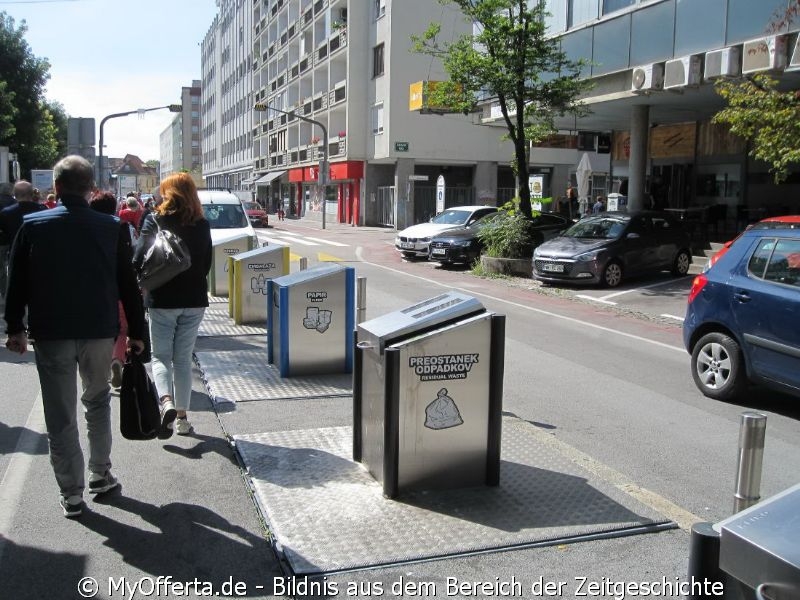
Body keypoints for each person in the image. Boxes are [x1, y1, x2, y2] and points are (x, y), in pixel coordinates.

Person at [3, 155, 146, 518]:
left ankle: (72, 494)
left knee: (60, 413)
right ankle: (101, 474)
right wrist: (136, 333)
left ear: (56, 187)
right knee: (97, 402)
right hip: (99, 330)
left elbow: (15, 281)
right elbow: (127, 285)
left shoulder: (33, 225)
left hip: (51, 332)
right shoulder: (111, 227)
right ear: (90, 188)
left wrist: (15, 328)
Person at [133, 172, 212, 437]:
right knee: (182, 358)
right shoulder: (202, 224)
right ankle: (182, 419)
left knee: (160, 356)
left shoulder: (154, 220)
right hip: (194, 300)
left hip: (162, 298)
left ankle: (165, 401)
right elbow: (206, 264)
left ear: (167, 194)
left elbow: (139, 256)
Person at [90, 190, 136, 388]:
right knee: (122, 330)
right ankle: (117, 359)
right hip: (120, 290)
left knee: (102, 333)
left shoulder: (87, 230)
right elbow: (133, 257)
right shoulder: (122, 228)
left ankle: (102, 368)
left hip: (95, 293)